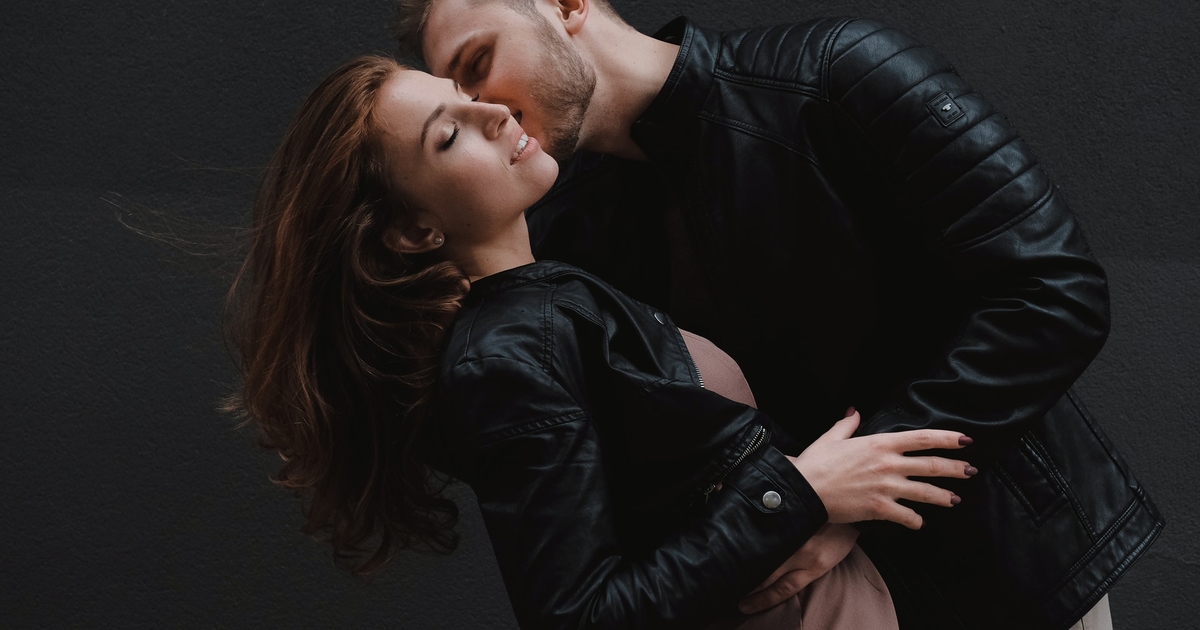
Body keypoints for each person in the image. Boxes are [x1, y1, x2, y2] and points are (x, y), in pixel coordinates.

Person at [391, 0, 1164, 628]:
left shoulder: (836, 72)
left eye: (478, 64)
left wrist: (847, 496)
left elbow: (1053, 290)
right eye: (454, 102)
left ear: (565, 6)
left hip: (1009, 573)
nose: (483, 110)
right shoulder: (566, 242)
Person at [223, 54, 984, 629]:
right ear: (414, 231)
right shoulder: (503, 361)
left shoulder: (544, 305)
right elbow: (579, 615)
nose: (493, 112)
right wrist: (801, 495)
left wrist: (816, 506)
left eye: (464, 92)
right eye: (449, 135)